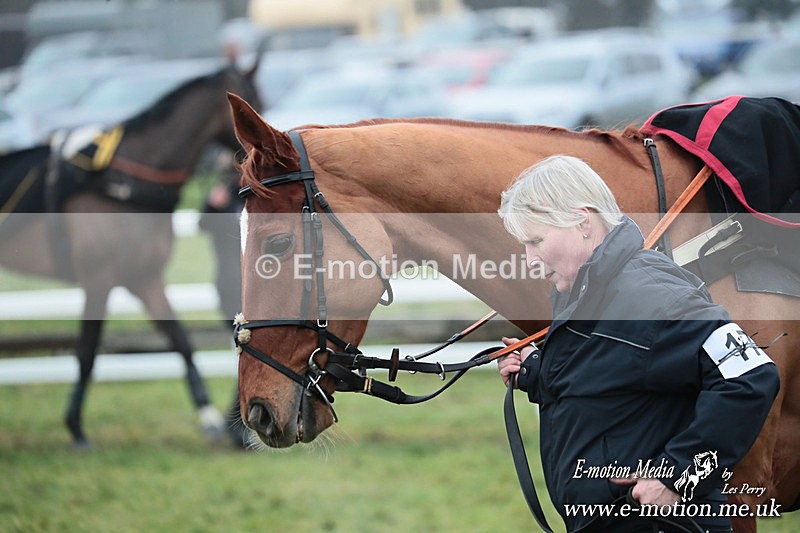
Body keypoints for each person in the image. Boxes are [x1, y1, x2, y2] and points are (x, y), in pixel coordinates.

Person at [496, 155, 780, 532]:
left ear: (583, 222)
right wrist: (535, 369)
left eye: (535, 241)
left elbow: (751, 377)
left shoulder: (653, 295)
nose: (530, 260)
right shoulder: (583, 289)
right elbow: (610, 374)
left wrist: (678, 476)